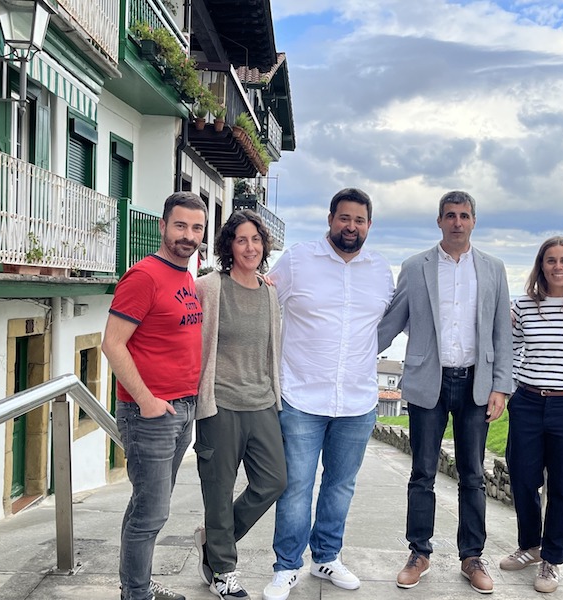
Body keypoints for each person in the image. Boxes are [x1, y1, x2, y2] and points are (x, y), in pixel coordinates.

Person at [261, 188, 394, 600]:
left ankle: (326, 557)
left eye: (359, 220)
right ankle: (286, 567)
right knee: (296, 486)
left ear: (369, 225)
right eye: (344, 218)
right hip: (302, 397)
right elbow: (263, 303)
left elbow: (384, 326)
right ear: (331, 219)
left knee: (340, 486)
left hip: (357, 401)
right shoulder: (298, 260)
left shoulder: (381, 270)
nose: (351, 227)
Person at [377, 190, 512, 594]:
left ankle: (472, 557)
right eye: (450, 215)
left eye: (464, 215)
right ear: (439, 221)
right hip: (428, 382)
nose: (457, 222)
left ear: (474, 221)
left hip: (475, 383)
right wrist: (354, 354)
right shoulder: (415, 267)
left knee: (473, 475)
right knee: (422, 473)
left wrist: (501, 387)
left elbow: (501, 333)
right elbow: (393, 320)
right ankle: (419, 553)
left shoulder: (493, 269)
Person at [102, 191, 207, 600]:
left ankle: (137, 585)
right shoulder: (144, 276)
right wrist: (147, 401)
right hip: (150, 414)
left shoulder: (185, 276)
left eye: (196, 228)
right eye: (180, 225)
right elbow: (112, 344)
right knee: (151, 512)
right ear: (163, 226)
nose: (188, 235)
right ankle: (137, 593)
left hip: (182, 409)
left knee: (146, 506)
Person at [192, 210, 286, 600]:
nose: (250, 247)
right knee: (218, 491)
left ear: (264, 245)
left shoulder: (269, 292)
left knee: (273, 481)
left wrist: (275, 395)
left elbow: (271, 349)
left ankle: (213, 541)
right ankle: (223, 571)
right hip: (220, 405)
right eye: (242, 239)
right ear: (228, 245)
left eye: (256, 240)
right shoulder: (209, 287)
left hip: (262, 403)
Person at [502, 236, 563, 593]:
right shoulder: (524, 305)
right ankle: (530, 546)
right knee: (523, 478)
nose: (558, 267)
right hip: (527, 402)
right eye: (550, 260)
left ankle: (551, 560)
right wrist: (510, 390)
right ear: (541, 265)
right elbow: (510, 349)